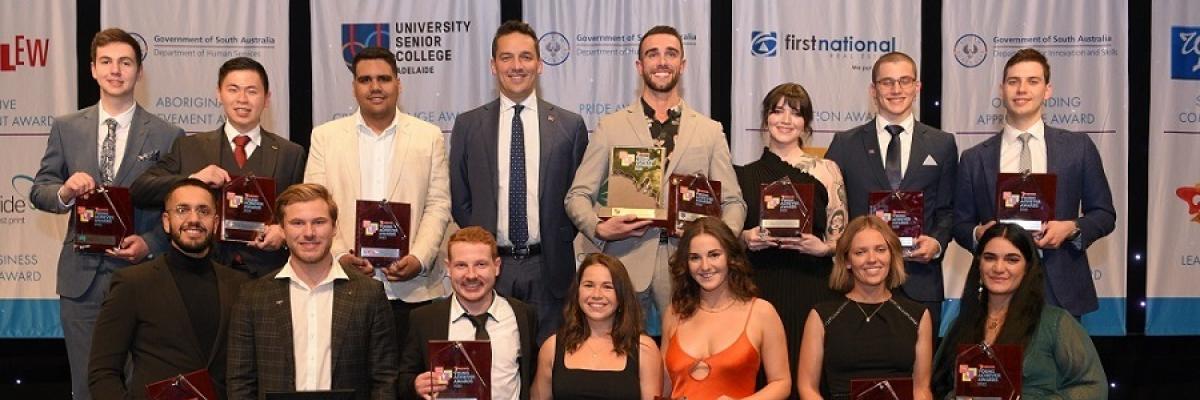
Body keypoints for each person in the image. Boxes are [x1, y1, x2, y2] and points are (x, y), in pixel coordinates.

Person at [29, 27, 184, 400]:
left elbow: (178, 209)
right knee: (85, 385)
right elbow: (40, 188)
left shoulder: (168, 135)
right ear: (93, 70)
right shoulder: (67, 128)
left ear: (139, 72)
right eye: (107, 62)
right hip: (80, 280)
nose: (116, 70)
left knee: (140, 385)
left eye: (126, 62)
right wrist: (65, 192)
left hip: (141, 276)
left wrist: (149, 243)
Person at [566, 25, 746, 327]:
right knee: (623, 363)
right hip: (623, 265)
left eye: (671, 54)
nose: (662, 61)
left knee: (683, 366)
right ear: (640, 65)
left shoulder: (709, 131)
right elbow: (577, 196)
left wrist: (715, 248)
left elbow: (733, 202)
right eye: (653, 54)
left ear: (683, 65)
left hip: (687, 268)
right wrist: (599, 228)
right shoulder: (611, 126)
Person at [450, 20, 589, 342]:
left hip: (549, 268)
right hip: (489, 268)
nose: (516, 66)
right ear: (493, 65)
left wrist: (559, 237)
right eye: (507, 57)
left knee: (546, 364)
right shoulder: (469, 125)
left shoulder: (569, 126)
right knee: (492, 362)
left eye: (525, 57)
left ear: (540, 65)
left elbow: (578, 195)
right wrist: (482, 246)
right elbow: (460, 196)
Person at [305, 46, 452, 346]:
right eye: (365, 79)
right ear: (354, 86)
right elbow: (314, 207)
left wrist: (419, 259)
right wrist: (341, 255)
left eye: (384, 79)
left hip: (413, 290)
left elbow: (438, 205)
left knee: (409, 384)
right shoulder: (325, 137)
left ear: (399, 83)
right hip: (345, 285)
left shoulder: (429, 136)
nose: (375, 87)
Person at [953, 48, 1116, 317]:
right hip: (996, 285)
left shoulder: (1078, 148)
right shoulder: (974, 158)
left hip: (1060, 287)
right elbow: (960, 224)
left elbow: (1104, 214)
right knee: (1000, 361)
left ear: (1047, 90)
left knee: (1058, 361)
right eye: (1013, 81)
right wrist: (978, 234)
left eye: (1032, 81)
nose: (1022, 89)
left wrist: (1072, 228)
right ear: (1002, 89)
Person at [132, 56, 306, 277]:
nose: (242, 99)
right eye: (233, 90)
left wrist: (282, 232)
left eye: (252, 91)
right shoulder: (189, 147)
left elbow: (301, 213)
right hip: (200, 273)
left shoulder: (289, 154)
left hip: (267, 275)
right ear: (219, 94)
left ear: (267, 98)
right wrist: (193, 179)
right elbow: (140, 190)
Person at [226, 183, 398, 399]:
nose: (309, 233)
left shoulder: (369, 294)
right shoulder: (253, 296)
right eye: (297, 223)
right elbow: (240, 382)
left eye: (319, 222)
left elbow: (384, 379)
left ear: (334, 227)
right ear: (282, 228)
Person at [824, 52, 958, 329]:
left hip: (920, 282)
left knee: (919, 370)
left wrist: (936, 243)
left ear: (917, 87)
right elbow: (831, 211)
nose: (896, 90)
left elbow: (948, 209)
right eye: (887, 82)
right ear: (873, 90)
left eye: (904, 81)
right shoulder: (845, 144)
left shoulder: (942, 144)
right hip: (859, 283)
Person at [88, 179, 250, 399]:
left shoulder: (242, 286)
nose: (194, 219)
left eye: (203, 211)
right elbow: (103, 372)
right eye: (182, 210)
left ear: (216, 221)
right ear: (166, 221)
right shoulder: (132, 284)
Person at [734, 82, 846, 397]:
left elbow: (844, 237)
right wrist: (745, 237)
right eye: (778, 110)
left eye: (796, 113)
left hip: (812, 284)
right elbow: (725, 237)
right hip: (759, 286)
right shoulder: (742, 174)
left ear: (806, 123)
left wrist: (823, 247)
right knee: (762, 376)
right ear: (765, 118)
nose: (786, 119)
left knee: (806, 375)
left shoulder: (827, 170)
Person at [933, 223, 1107, 398]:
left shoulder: (1054, 323)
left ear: (1027, 268)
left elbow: (1093, 386)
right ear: (979, 263)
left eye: (1012, 259)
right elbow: (939, 385)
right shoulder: (962, 323)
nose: (999, 268)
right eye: (990, 258)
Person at [795, 216, 933, 400]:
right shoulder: (821, 316)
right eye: (860, 252)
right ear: (847, 261)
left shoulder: (918, 315)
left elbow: (921, 390)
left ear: (891, 256)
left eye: (881, 250)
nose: (872, 259)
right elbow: (807, 388)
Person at [399, 226, 539, 400]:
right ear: (448, 268)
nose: (471, 275)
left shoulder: (523, 315)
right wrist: (415, 385)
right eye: (461, 265)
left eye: (481, 264)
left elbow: (531, 374)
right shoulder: (424, 319)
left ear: (496, 266)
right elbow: (404, 379)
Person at [662, 217, 791, 399]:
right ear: (686, 264)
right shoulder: (674, 313)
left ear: (730, 257)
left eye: (714, 255)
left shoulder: (761, 312)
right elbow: (663, 387)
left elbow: (781, 383)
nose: (705, 266)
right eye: (695, 258)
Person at [531, 253, 663, 400]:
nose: (596, 294)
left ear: (621, 295)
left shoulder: (645, 349)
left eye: (607, 287)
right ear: (577, 292)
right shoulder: (552, 347)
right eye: (589, 285)